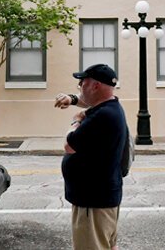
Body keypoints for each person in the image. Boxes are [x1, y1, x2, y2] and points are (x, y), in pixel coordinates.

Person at [55, 64, 130, 250]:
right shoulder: (111, 106)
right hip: (103, 198)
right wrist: (71, 100)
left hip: (93, 202)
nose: (79, 86)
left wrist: (76, 120)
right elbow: (86, 102)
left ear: (95, 86)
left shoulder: (102, 115)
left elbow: (69, 145)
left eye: (82, 83)